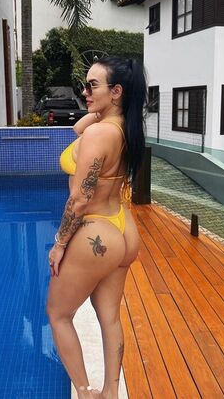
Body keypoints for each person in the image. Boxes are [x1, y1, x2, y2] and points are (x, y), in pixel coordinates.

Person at [47, 56, 147, 399]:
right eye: (85, 85)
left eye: (92, 86)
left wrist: (60, 244)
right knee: (110, 318)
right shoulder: (124, 127)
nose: (84, 93)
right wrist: (99, 107)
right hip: (123, 229)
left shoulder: (100, 133)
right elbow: (78, 128)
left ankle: (85, 392)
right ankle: (110, 392)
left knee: (58, 315)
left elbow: (79, 200)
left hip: (96, 233)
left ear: (116, 91)